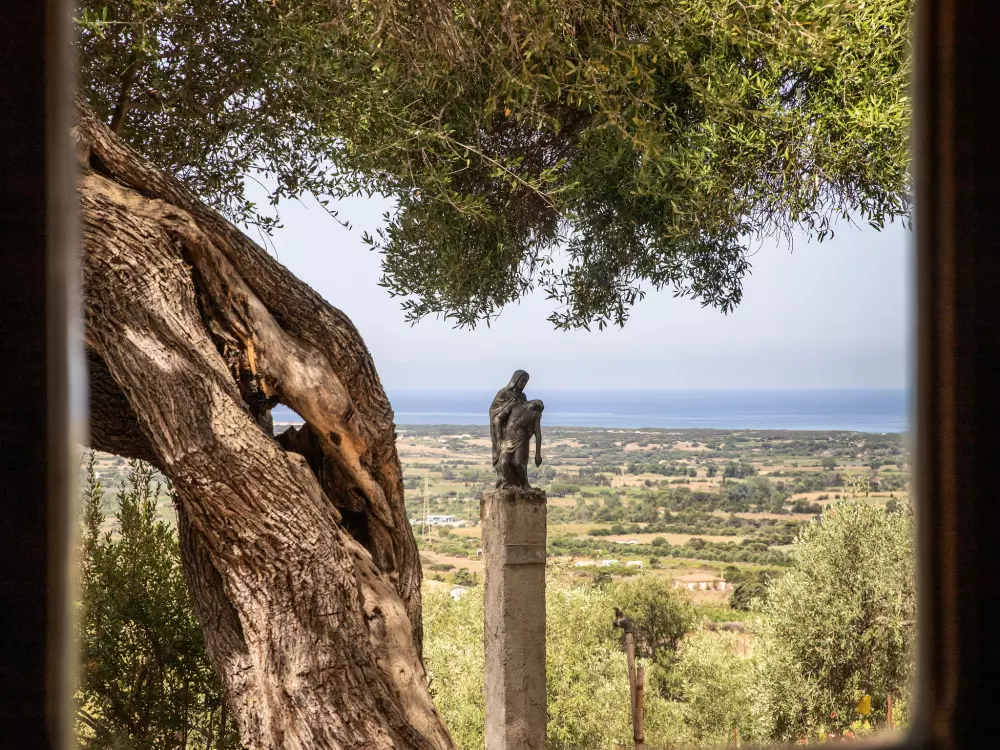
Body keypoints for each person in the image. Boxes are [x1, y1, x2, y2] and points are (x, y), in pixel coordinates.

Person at [495, 399, 544, 489]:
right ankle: (510, 483)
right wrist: (498, 438)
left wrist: (538, 454)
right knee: (504, 462)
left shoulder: (535, 415)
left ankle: (525, 484)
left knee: (518, 463)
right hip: (508, 439)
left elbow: (538, 434)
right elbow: (498, 418)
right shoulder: (514, 406)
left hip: (521, 439)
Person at [489, 370, 529, 468]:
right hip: (503, 432)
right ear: (515, 380)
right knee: (504, 463)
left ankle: (520, 483)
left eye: (525, 382)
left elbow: (524, 413)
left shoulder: (522, 396)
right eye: (522, 381)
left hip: (518, 433)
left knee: (518, 462)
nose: (524, 384)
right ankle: (505, 482)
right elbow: (494, 411)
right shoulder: (503, 393)